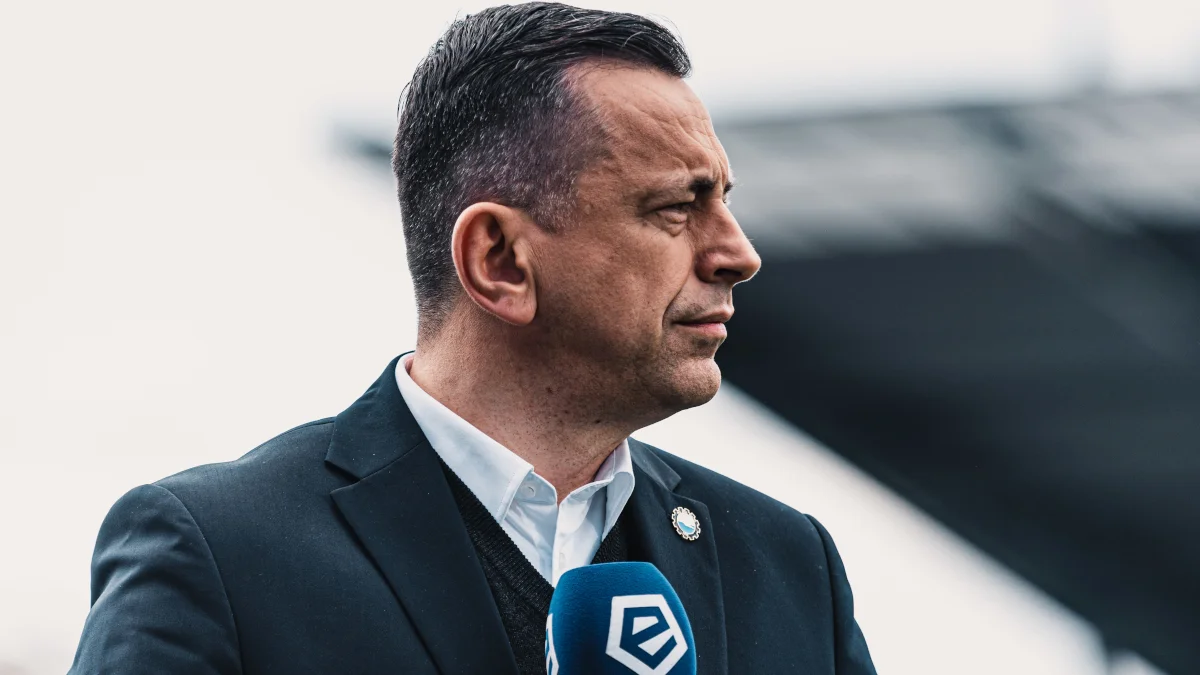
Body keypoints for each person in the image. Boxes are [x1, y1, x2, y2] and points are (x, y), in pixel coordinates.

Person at [69, 4, 876, 674]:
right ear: (499, 261)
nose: (739, 253)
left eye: (725, 202)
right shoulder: (221, 554)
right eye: (676, 208)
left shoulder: (788, 564)